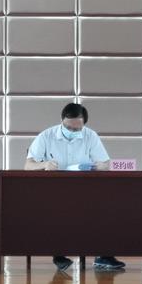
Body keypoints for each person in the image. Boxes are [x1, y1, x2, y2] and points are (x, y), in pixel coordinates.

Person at [24, 103, 125, 272]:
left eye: (77, 129)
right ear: (62, 120)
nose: (72, 131)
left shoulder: (90, 136)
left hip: (84, 187)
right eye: (68, 128)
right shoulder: (46, 136)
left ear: (84, 124)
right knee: (56, 212)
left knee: (106, 209)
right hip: (54, 189)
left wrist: (99, 166)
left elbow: (106, 163)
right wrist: (44, 164)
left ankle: (103, 256)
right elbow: (28, 165)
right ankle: (59, 255)